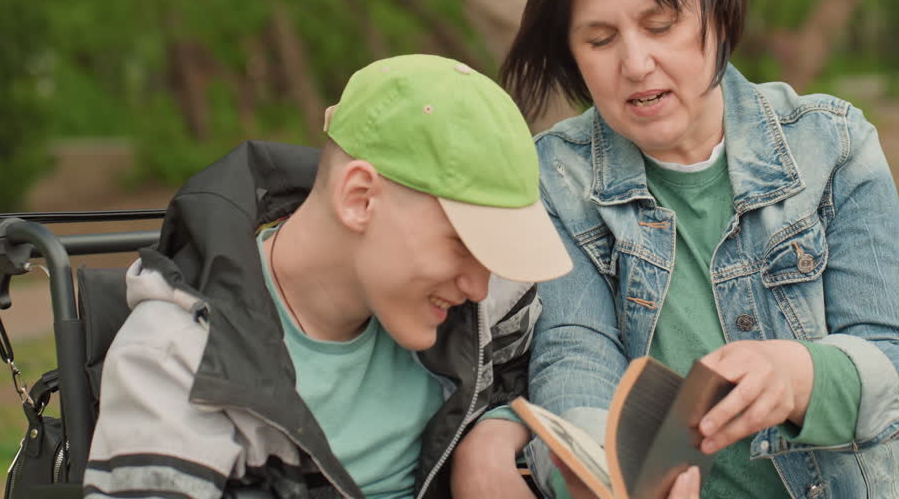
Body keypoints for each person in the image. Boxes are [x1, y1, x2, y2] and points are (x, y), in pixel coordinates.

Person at [501, 0, 899, 498]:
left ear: (718, 14)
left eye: (659, 26)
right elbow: (575, 360)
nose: (634, 64)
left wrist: (798, 376)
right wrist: (599, 476)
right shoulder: (557, 180)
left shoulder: (833, 145)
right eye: (600, 39)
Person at [84, 54, 572, 499]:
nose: (478, 285)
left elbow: (547, 373)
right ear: (358, 198)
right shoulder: (176, 367)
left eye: (494, 253)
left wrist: (489, 443)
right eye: (463, 244)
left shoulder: (484, 310)